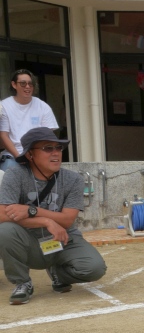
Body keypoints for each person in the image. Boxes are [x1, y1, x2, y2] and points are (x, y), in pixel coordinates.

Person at [0, 128, 106, 305]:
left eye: (58, 148)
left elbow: (67, 220)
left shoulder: (73, 179)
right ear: (30, 155)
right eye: (47, 148)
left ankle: (57, 273)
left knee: (94, 268)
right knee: (5, 230)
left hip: (62, 239)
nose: (56, 153)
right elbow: (3, 214)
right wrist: (46, 221)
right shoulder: (15, 174)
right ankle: (22, 282)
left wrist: (32, 210)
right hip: (29, 243)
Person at [0, 69, 59, 172]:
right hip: (13, 156)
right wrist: (20, 157)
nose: (27, 87)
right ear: (14, 85)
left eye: (30, 84)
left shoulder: (43, 106)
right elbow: (3, 135)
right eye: (23, 83)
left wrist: (36, 156)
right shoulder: (4, 106)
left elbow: (48, 136)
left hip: (38, 157)